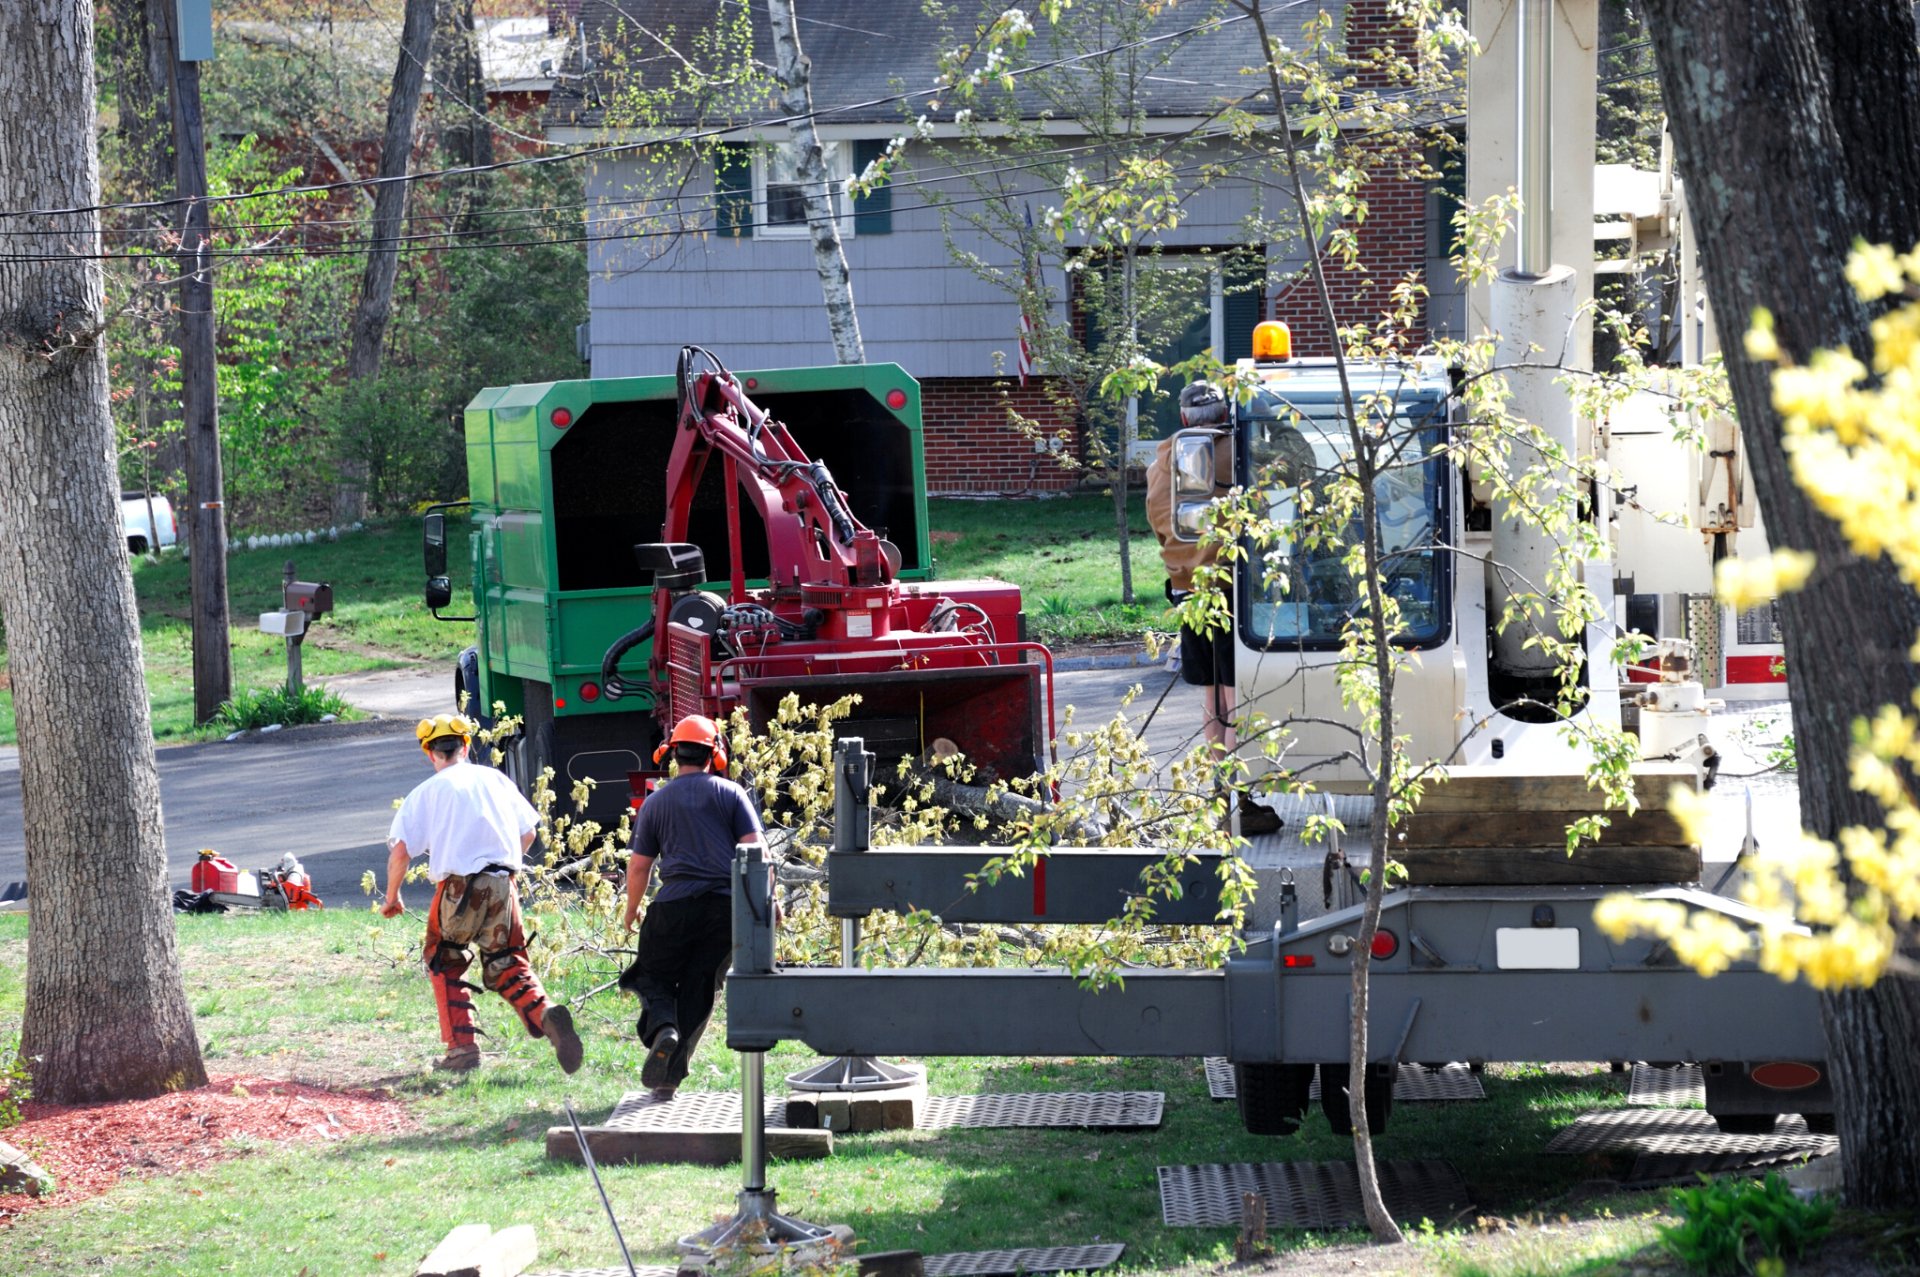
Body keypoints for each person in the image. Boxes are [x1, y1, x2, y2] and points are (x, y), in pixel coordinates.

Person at [382, 713, 583, 1075]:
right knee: (507, 961)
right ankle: (545, 1013)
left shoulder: (428, 792)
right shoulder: (496, 780)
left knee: (444, 958)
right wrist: (510, 868)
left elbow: (400, 853)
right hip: (503, 882)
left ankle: (461, 1051)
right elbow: (528, 834)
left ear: (430, 752)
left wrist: (392, 897)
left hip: (459, 888)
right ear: (466, 745)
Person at [618, 713, 764, 1102]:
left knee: (650, 976)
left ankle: (663, 1027)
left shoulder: (656, 802)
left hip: (673, 906)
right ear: (714, 753)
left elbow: (639, 866)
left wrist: (632, 910)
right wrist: (768, 902)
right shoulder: (731, 794)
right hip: (725, 910)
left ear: (672, 754)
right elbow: (756, 851)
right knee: (700, 988)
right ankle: (668, 1079)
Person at [1146, 380, 1239, 758]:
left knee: (1212, 688)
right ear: (1226, 414)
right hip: (1233, 589)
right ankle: (1238, 796)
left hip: (1187, 590)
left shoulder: (1160, 465)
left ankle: (1220, 781)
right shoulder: (1238, 454)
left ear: (1183, 417)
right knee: (1237, 690)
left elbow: (1158, 525)